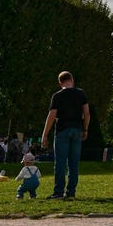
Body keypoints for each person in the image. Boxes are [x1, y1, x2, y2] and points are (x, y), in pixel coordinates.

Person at [41, 70, 90, 200]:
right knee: (74, 163)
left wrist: (45, 134)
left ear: (60, 83)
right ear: (72, 80)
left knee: (60, 163)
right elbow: (86, 113)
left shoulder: (57, 96)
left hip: (62, 129)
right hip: (77, 129)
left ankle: (58, 192)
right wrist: (85, 129)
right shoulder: (81, 93)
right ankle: (71, 191)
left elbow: (51, 116)